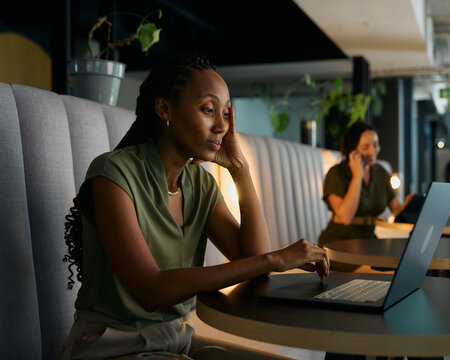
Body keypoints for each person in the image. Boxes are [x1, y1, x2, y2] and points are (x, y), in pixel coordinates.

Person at [61, 53, 329, 360]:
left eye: (226, 113)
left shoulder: (200, 184)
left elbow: (253, 261)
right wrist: (275, 258)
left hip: (177, 341)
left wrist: (240, 170)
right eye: (208, 109)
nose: (221, 126)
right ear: (164, 108)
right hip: (111, 347)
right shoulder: (113, 173)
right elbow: (151, 290)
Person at [318, 122, 411, 269]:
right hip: (338, 245)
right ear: (352, 150)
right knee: (383, 275)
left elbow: (396, 209)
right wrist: (357, 176)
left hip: (368, 242)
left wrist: (410, 206)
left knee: (402, 267)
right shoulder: (336, 174)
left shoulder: (380, 172)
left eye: (375, 145)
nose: (373, 151)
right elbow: (346, 217)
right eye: (365, 147)